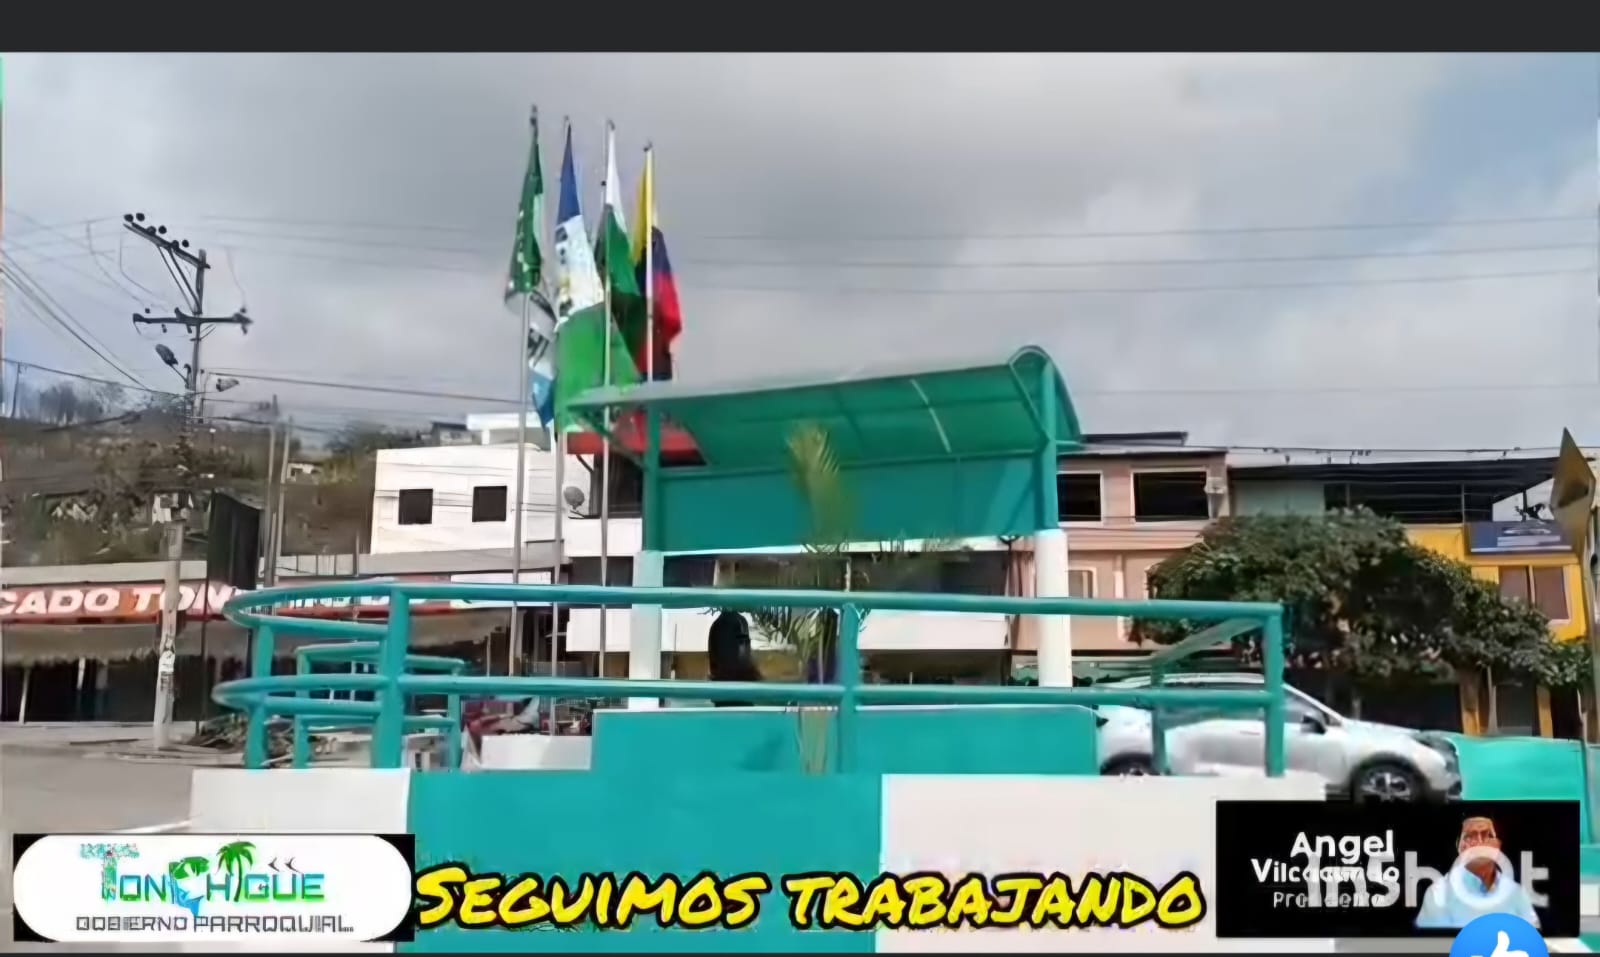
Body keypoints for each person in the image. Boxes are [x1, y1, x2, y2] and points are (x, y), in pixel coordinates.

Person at [1415, 816, 1539, 929]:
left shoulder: (1517, 894)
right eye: (1469, 836)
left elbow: (1533, 941)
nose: (1479, 842)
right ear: (1459, 846)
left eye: (1487, 835)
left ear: (1498, 845)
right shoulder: (1438, 894)